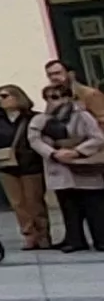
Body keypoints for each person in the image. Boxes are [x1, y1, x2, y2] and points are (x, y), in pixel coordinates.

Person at [32, 83, 104, 252]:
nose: (51, 102)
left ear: (67, 97)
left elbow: (97, 137)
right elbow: (34, 139)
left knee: (94, 206)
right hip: (59, 166)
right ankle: (75, 239)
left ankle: (100, 238)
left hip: (84, 166)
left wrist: (77, 151)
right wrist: (52, 153)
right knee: (68, 206)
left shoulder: (82, 115)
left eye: (55, 97)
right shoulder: (42, 119)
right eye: (48, 98)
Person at [0, 86, 49, 251]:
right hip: (5, 164)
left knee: (34, 201)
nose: (1, 99)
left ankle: (43, 235)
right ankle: (29, 235)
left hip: (30, 164)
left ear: (17, 97)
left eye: (5, 96)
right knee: (17, 203)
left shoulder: (33, 117)